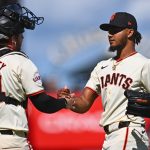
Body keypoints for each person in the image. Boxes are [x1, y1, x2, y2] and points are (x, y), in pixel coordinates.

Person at [58, 12, 150, 149]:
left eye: (115, 30)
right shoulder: (102, 67)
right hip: (109, 137)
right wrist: (67, 101)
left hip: (130, 133)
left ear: (130, 32)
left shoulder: (143, 64)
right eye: (109, 31)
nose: (110, 34)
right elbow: (84, 102)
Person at [0, 3, 72, 149]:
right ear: (13, 38)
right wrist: (64, 102)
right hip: (11, 141)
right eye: (21, 35)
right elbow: (43, 103)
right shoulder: (20, 61)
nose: (22, 39)